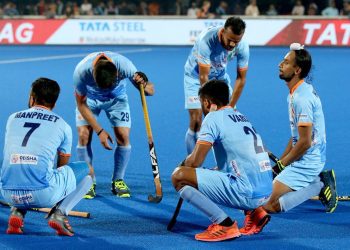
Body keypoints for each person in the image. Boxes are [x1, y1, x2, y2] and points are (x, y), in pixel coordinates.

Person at [172, 80, 272, 242]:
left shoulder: (213, 118)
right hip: (266, 193)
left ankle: (224, 224)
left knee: (180, 176)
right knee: (215, 171)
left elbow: (195, 162)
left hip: (247, 194)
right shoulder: (241, 116)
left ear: (206, 102)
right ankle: (255, 213)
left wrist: (183, 165)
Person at [0, 78, 92, 236]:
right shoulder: (62, 125)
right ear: (54, 103)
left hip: (7, 193)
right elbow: (62, 166)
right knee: (87, 172)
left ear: (32, 97)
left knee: (18, 167)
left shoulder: (12, 118)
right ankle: (59, 214)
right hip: (42, 193)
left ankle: (17, 212)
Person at [263, 43, 337, 214]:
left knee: (265, 204)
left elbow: (304, 143)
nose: (280, 64)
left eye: (286, 62)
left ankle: (318, 185)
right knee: (264, 191)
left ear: (297, 70)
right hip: (303, 157)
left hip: (308, 162)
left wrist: (279, 168)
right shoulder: (296, 92)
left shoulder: (301, 99)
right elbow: (296, 136)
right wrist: (282, 163)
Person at [74, 51, 154, 199]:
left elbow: (150, 90)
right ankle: (88, 180)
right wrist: (99, 131)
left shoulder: (125, 66)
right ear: (93, 74)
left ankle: (118, 180)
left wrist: (143, 84)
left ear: (117, 74)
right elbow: (81, 104)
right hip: (90, 102)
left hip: (117, 100)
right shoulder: (81, 72)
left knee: (123, 137)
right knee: (83, 135)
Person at [184, 16, 249, 155]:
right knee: (197, 120)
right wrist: (210, 109)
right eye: (230, 40)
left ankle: (225, 167)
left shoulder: (242, 46)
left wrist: (230, 106)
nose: (232, 45)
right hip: (195, 78)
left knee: (228, 121)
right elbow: (203, 77)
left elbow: (241, 79)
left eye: (236, 42)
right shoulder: (206, 41)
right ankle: (191, 166)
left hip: (220, 78)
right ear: (223, 32)